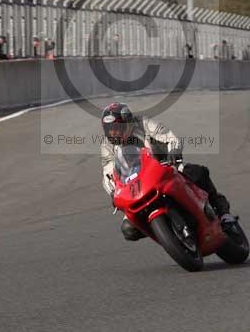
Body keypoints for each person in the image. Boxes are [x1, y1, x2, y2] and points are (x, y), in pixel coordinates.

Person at [99, 102, 234, 241]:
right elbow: (108, 172)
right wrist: (113, 191)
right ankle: (164, 232)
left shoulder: (143, 123)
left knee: (197, 173)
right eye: (109, 129)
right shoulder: (106, 145)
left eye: (116, 128)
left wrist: (174, 151)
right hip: (136, 185)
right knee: (128, 229)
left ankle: (224, 215)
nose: (113, 133)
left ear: (127, 122)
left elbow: (169, 137)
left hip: (165, 168)